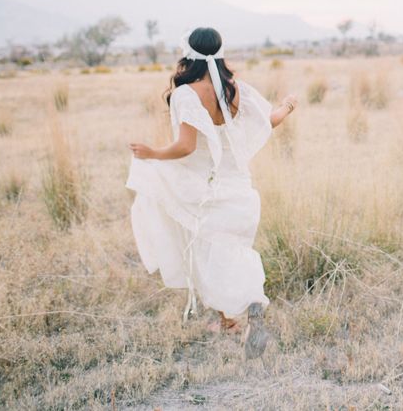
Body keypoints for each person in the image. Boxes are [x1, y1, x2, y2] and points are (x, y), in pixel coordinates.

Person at [125, 27, 296, 359]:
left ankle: (236, 314)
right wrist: (288, 105)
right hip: (237, 188)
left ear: (187, 54)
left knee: (206, 254)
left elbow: (186, 147)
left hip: (202, 188)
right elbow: (268, 121)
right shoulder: (235, 90)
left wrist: (152, 153)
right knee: (232, 251)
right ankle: (239, 313)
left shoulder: (187, 94)